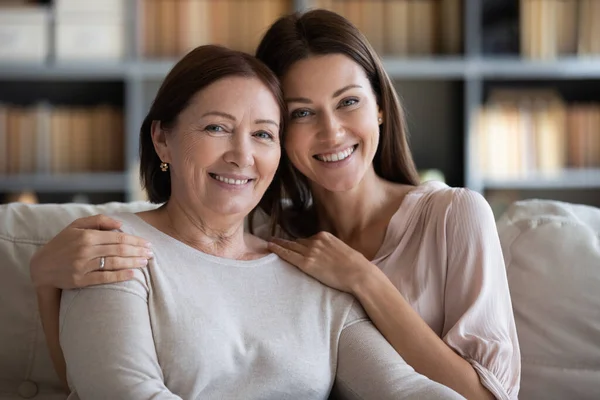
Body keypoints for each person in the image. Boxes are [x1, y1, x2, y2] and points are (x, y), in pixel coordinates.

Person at [31, 9, 520, 400]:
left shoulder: (345, 258)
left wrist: (365, 280)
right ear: (162, 139)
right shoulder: (285, 239)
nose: (331, 132)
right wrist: (44, 281)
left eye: (261, 133)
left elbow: (431, 391)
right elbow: (101, 379)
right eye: (302, 113)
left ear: (381, 107)